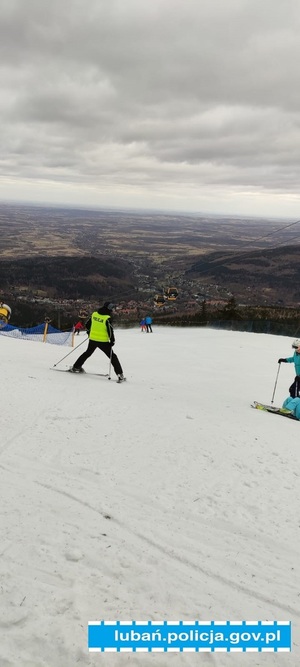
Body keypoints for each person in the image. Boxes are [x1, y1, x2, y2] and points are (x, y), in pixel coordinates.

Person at [71, 302, 125, 381]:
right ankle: (120, 374)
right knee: (113, 357)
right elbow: (110, 330)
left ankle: (76, 367)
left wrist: (89, 332)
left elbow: (88, 325)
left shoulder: (94, 314)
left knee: (87, 353)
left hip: (93, 340)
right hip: (103, 341)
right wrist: (112, 340)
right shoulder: (107, 318)